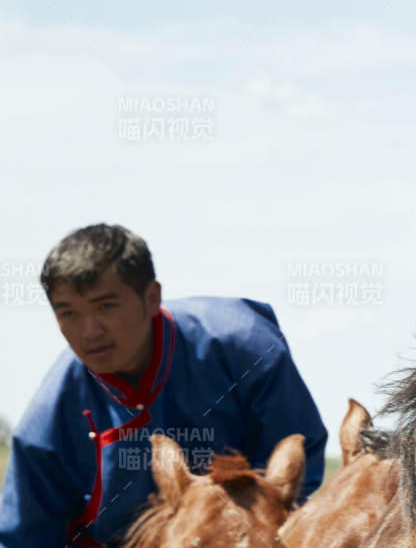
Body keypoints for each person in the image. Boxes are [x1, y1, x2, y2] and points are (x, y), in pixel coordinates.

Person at [0, 224, 327, 547]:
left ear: (152, 297)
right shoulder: (50, 415)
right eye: (68, 313)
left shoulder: (245, 348)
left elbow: (295, 468)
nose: (89, 331)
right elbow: (26, 537)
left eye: (106, 306)